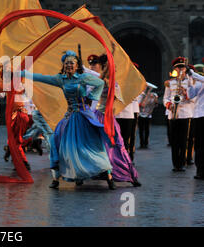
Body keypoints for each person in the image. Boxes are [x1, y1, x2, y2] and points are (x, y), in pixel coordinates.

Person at [22, 50, 116, 190]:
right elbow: (41, 77)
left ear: (77, 65)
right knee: (58, 143)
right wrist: (22, 73)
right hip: (70, 117)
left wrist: (91, 99)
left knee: (92, 145)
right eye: (66, 63)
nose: (69, 66)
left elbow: (100, 84)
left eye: (71, 63)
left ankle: (109, 177)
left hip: (85, 116)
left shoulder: (83, 78)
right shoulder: (61, 79)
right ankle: (57, 178)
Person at [92, 54, 141, 187]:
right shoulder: (97, 79)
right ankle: (104, 174)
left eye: (112, 65)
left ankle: (129, 175)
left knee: (119, 145)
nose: (111, 67)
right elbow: (91, 97)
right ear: (103, 66)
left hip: (110, 117)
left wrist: (117, 89)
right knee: (99, 146)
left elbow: (120, 99)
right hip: (99, 117)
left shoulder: (114, 82)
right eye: (108, 65)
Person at [163, 57, 194, 172]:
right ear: (175, 68)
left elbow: (194, 98)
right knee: (174, 140)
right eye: (178, 67)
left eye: (182, 67)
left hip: (185, 113)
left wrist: (186, 94)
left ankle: (182, 162)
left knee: (183, 139)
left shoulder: (190, 81)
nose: (180, 69)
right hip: (172, 114)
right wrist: (168, 104)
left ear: (185, 69)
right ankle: (175, 164)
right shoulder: (170, 83)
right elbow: (165, 98)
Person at [187, 64, 204, 179]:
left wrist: (192, 73)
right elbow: (191, 95)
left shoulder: (201, 79)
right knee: (198, 145)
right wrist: (189, 81)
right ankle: (200, 170)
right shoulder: (200, 82)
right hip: (198, 115)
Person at [137, 84, 159, 149]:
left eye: (147, 88)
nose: (146, 89)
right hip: (140, 114)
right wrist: (145, 98)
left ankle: (146, 143)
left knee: (147, 129)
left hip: (148, 114)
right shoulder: (140, 95)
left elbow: (155, 105)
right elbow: (141, 105)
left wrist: (155, 99)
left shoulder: (153, 95)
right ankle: (141, 143)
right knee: (141, 130)